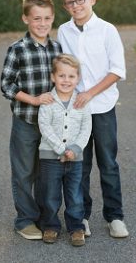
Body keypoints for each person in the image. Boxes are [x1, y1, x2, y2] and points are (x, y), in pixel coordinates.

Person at [57, 0, 129, 239]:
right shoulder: (64, 32)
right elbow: (63, 69)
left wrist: (89, 93)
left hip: (103, 106)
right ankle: (81, 217)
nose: (76, 5)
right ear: (66, 6)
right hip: (76, 110)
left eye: (80, 0)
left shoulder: (107, 30)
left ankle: (115, 217)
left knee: (108, 163)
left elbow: (117, 70)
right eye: (70, 2)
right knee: (80, 165)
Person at [0, 0, 62, 241]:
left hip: (52, 125)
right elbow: (6, 85)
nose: (42, 23)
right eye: (37, 18)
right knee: (24, 172)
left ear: (53, 18)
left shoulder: (58, 49)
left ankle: (46, 218)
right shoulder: (18, 49)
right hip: (26, 121)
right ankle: (25, 220)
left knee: (46, 173)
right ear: (25, 19)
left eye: (47, 18)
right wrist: (34, 99)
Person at [37, 54, 92, 247]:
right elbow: (45, 126)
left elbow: (86, 128)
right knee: (50, 193)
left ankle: (76, 228)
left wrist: (75, 149)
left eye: (71, 76)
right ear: (53, 77)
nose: (66, 80)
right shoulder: (48, 101)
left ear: (77, 78)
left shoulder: (82, 101)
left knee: (75, 194)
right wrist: (61, 149)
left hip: (75, 158)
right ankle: (50, 225)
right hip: (50, 157)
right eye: (61, 76)